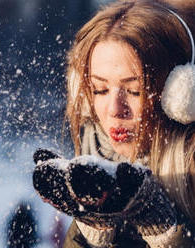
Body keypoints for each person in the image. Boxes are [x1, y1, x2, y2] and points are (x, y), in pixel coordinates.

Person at [32, 0, 195, 247]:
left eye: (134, 90)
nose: (114, 110)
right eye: (100, 90)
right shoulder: (100, 170)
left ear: (179, 94)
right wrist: (93, 231)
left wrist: (166, 235)